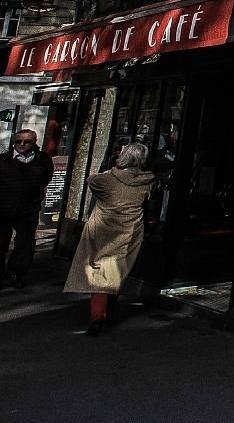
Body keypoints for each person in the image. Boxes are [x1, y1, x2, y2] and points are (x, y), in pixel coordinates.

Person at [64, 142, 157, 333]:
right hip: (129, 229)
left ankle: (98, 316)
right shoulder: (147, 180)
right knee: (115, 273)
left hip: (104, 229)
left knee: (101, 274)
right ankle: (108, 310)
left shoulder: (107, 179)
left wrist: (113, 169)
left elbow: (91, 180)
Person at [0, 128, 54, 292]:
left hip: (27, 210)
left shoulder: (43, 160)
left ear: (34, 142)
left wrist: (34, 197)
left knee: (25, 244)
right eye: (18, 141)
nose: (22, 144)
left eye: (27, 141)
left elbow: (45, 178)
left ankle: (16, 273)